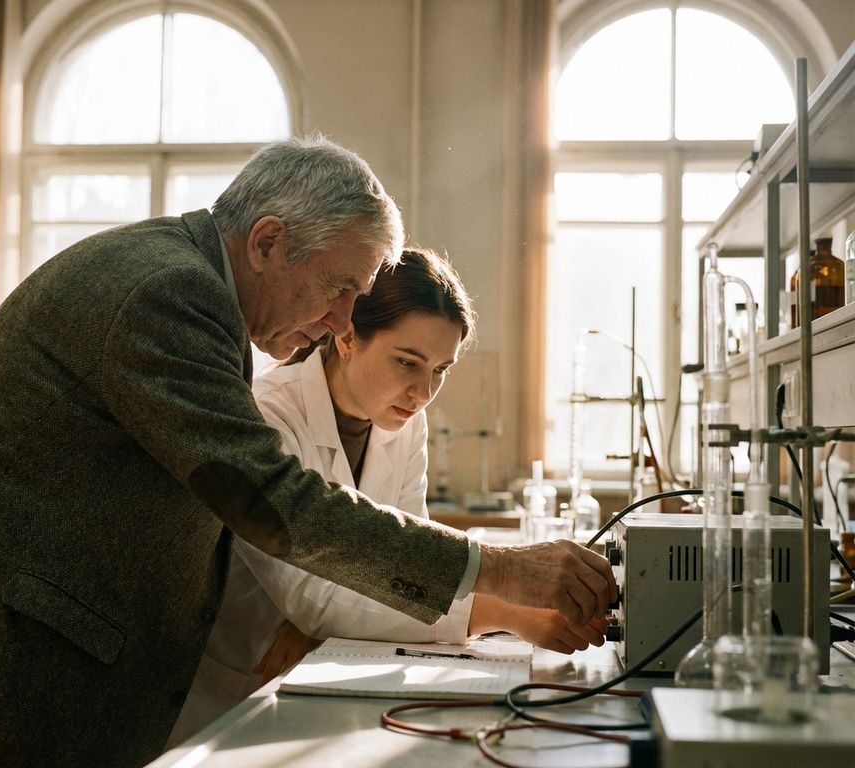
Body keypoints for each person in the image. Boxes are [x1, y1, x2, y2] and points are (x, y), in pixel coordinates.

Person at [0, 135, 615, 768]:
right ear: (268, 242)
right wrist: (503, 569)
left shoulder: (185, 281)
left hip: (30, 651)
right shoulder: (170, 294)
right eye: (342, 286)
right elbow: (270, 498)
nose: (345, 316)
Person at [169, 248, 607, 744]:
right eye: (407, 362)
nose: (422, 391)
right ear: (349, 334)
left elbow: (404, 568)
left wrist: (327, 628)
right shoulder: (268, 414)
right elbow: (314, 594)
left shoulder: (404, 424)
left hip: (328, 670)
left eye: (441, 369)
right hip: (239, 687)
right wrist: (506, 613)